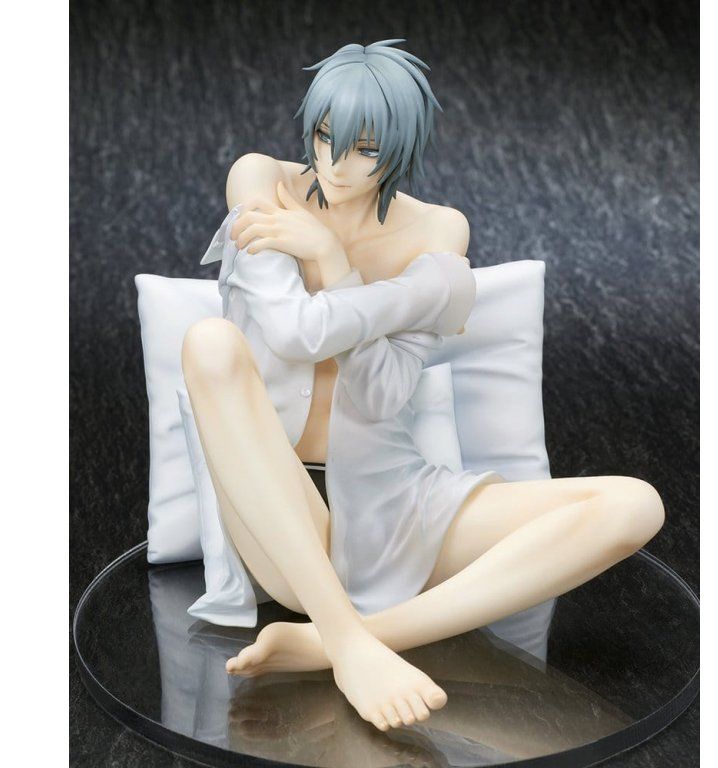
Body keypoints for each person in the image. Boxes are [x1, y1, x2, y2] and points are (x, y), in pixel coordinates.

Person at [181, 39, 665, 733]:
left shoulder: (439, 228)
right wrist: (400, 293)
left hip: (394, 500)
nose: (335, 164)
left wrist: (331, 259)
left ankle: (341, 642)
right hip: (277, 501)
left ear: (401, 149)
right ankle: (347, 640)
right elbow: (291, 333)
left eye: (365, 150)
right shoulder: (261, 179)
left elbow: (381, 397)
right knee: (209, 342)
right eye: (324, 136)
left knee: (634, 505)